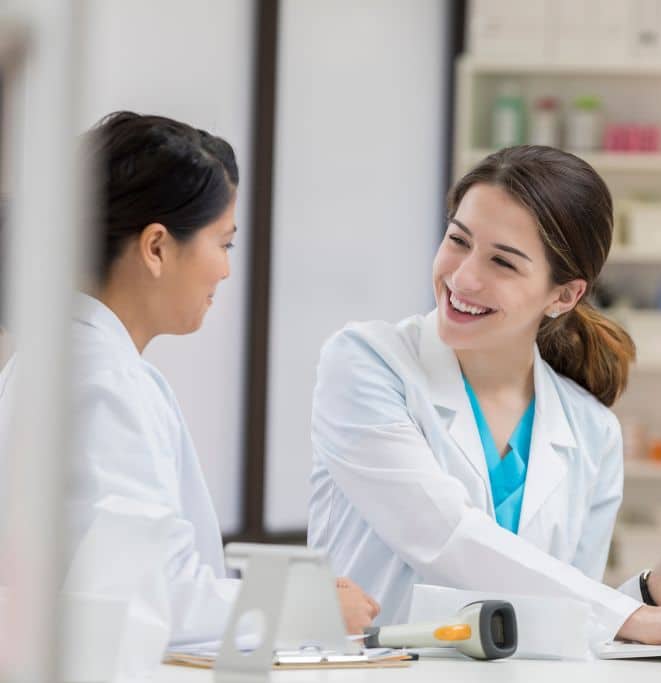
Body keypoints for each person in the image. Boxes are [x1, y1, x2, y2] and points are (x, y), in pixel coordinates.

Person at [308, 145, 661, 645]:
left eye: (503, 262)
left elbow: (557, 619)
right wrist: (638, 620)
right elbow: (441, 535)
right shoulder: (367, 363)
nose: (463, 276)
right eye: (458, 239)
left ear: (564, 295)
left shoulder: (591, 430)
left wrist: (651, 594)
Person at [0, 111, 379, 647]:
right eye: (223, 244)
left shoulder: (61, 363)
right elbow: (149, 600)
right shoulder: (106, 383)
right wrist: (307, 603)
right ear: (156, 247)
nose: (225, 270)